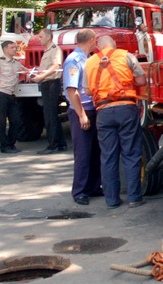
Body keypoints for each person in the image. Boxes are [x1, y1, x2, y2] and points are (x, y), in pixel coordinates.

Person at [85, 35, 147, 209]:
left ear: (98, 46)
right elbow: (141, 80)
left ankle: (112, 200)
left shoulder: (89, 62)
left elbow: (88, 91)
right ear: (114, 45)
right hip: (126, 109)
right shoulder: (126, 56)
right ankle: (135, 198)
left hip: (103, 112)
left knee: (108, 156)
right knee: (131, 154)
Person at [63, 29, 102, 206]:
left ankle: (94, 186)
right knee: (83, 153)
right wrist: (82, 115)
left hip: (93, 108)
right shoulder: (74, 60)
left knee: (95, 150)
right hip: (82, 110)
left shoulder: (88, 59)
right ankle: (80, 191)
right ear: (92, 40)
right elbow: (72, 90)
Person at [32, 28, 67, 155]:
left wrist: (41, 76)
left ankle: (53, 145)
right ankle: (61, 144)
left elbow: (56, 66)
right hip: (47, 83)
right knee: (52, 116)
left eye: (41, 36)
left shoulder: (55, 49)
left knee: (50, 116)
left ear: (48, 37)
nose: (39, 39)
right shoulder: (48, 50)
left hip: (51, 84)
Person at [0, 40, 25, 153]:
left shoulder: (16, 62)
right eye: (12, 47)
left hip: (11, 94)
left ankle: (11, 144)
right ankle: (4, 146)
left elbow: (24, 70)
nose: (15, 49)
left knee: (16, 120)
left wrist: (28, 74)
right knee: (2, 121)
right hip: (0, 93)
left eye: (15, 47)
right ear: (5, 49)